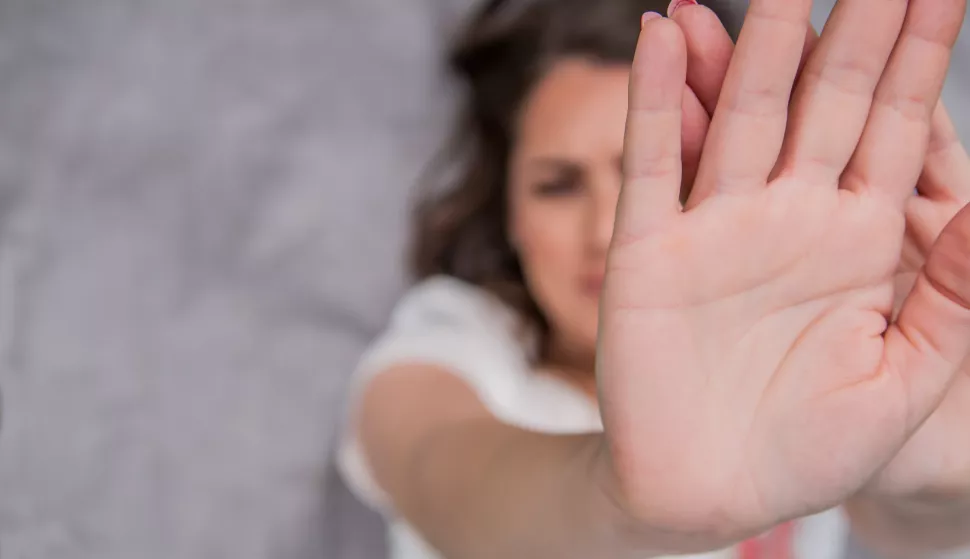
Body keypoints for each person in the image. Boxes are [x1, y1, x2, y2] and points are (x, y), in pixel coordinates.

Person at [338, 0, 970, 557]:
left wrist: (935, 476)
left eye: (652, 171)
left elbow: (901, 526)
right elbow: (447, 482)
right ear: (507, 213)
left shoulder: (801, 346)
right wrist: (626, 502)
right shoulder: (454, 349)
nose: (603, 232)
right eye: (557, 186)